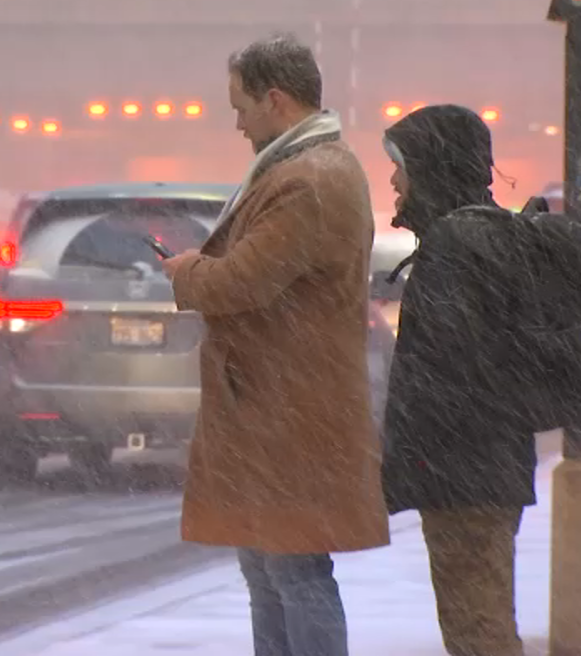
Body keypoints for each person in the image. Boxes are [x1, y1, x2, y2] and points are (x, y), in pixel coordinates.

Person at [160, 33, 389, 656]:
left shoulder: (307, 180)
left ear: (277, 100)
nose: (236, 124)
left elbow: (244, 279)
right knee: (268, 570)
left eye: (241, 107)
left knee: (292, 571)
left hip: (291, 408)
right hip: (274, 405)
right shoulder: (304, 168)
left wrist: (186, 272)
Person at [380, 104, 536, 656]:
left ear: (433, 167)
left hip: (466, 478)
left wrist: (413, 458)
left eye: (401, 165)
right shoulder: (479, 235)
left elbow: (455, 375)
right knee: (479, 624)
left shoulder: (458, 249)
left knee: (478, 632)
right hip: (482, 471)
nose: (393, 178)